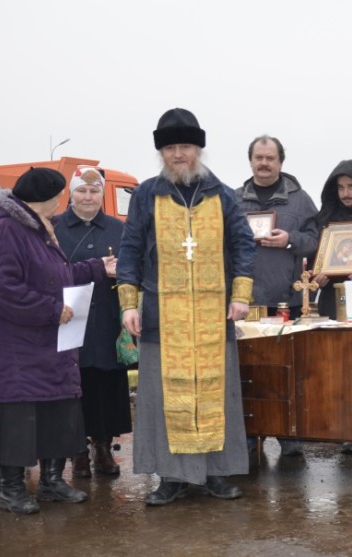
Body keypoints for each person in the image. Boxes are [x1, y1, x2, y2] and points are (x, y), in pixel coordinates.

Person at [117, 107, 254, 506]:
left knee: (217, 395)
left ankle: (216, 473)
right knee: (164, 398)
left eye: (187, 147)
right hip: (162, 313)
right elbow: (129, 250)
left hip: (214, 317)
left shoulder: (222, 195)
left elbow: (243, 245)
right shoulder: (146, 195)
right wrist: (129, 303)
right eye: (172, 148)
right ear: (162, 153)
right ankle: (172, 478)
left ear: (199, 150)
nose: (180, 155)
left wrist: (240, 295)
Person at [0, 168, 115, 514]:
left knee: (58, 407)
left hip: (48, 342)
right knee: (19, 414)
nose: (61, 203)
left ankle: (52, 481)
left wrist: (97, 267)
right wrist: (50, 310)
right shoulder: (7, 229)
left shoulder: (37, 228)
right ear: (47, 199)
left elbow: (58, 275)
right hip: (19, 345)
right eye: (59, 197)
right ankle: (11, 490)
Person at [235, 135, 318, 457]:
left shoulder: (300, 200)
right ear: (251, 160)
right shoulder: (234, 199)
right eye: (259, 157)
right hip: (247, 302)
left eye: (270, 158)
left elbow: (317, 240)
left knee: (288, 371)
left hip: (289, 300)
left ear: (281, 162)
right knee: (250, 373)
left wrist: (289, 239)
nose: (264, 163)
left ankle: (290, 435)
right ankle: (248, 434)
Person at [54, 167, 132, 478]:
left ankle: (103, 447)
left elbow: (132, 264)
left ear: (102, 194)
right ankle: (77, 451)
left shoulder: (118, 227)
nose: (88, 196)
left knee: (107, 386)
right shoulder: (54, 227)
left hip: (107, 317)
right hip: (69, 319)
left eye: (94, 191)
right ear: (70, 194)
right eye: (82, 191)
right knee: (76, 386)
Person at [312, 158, 352, 319]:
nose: (345, 194)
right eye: (341, 188)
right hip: (331, 299)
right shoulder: (325, 219)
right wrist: (316, 277)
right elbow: (313, 257)